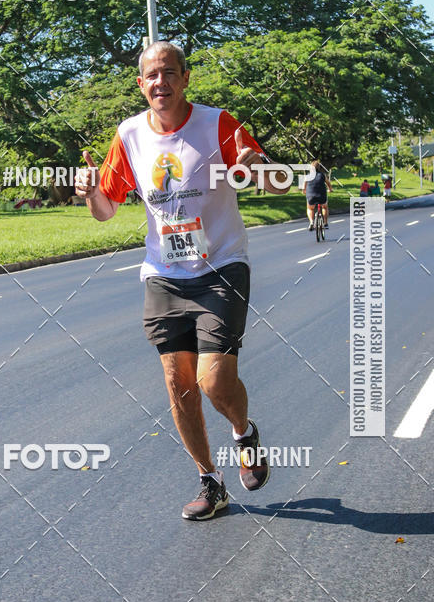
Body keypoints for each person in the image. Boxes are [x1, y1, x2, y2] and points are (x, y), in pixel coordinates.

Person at [75, 40, 292, 520]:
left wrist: (260, 169)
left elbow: (267, 177)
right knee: (179, 383)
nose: (161, 83)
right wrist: (91, 193)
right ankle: (209, 481)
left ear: (185, 78)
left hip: (222, 268)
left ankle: (243, 433)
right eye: (152, 76)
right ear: (140, 84)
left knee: (214, 381)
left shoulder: (218, 123)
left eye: (169, 73)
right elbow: (106, 210)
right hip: (164, 275)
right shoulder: (129, 135)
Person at [302, 161, 332, 230]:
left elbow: (304, 188)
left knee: (310, 208)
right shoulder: (322, 175)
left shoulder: (307, 176)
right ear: (319, 168)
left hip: (311, 196)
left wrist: (304, 191)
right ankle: (325, 223)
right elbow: (328, 183)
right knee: (324, 207)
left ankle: (312, 222)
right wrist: (330, 189)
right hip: (321, 195)